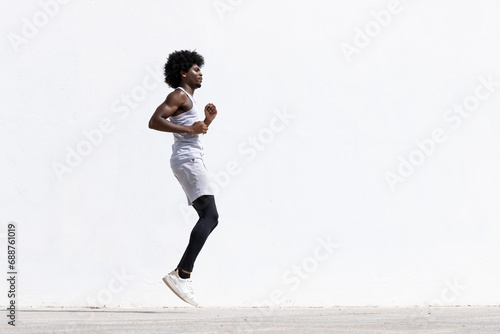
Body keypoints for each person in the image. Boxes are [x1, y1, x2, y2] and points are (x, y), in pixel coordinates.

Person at [148, 50, 219, 307]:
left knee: (209, 216)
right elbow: (154, 121)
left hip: (189, 159)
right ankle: (182, 273)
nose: (200, 73)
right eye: (196, 69)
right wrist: (191, 127)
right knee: (210, 216)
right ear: (183, 72)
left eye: (201, 69)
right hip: (188, 161)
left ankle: (182, 273)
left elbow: (192, 131)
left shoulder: (188, 99)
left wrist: (206, 121)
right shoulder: (178, 94)